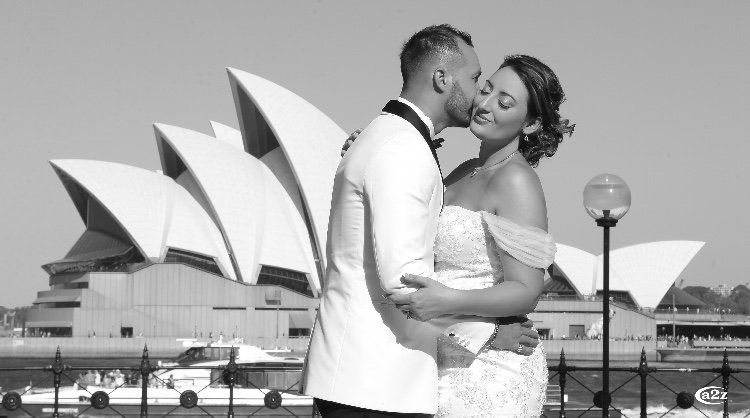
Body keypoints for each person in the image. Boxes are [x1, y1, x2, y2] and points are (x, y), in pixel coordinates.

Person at [301, 25, 540, 418]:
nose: (482, 95)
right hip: (377, 379)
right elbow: (404, 282)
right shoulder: (403, 150)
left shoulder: (388, 139)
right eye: (479, 79)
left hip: (376, 375)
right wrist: (491, 333)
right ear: (442, 78)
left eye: (502, 98)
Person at [389, 54, 573, 416]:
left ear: (532, 124)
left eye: (504, 103)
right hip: (443, 351)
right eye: (486, 90)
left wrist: (449, 301)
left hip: (492, 371)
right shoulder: (463, 171)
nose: (485, 105)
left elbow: (525, 291)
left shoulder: (516, 181)